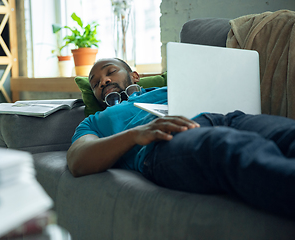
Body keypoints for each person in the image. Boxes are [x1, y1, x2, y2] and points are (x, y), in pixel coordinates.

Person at [67, 58, 295, 219]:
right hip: (165, 141)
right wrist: (136, 134)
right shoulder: (95, 121)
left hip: (224, 116)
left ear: (134, 75)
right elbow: (78, 159)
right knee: (227, 147)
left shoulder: (170, 87)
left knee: (286, 132)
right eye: (96, 83)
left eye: (110, 72)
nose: (103, 81)